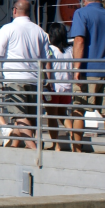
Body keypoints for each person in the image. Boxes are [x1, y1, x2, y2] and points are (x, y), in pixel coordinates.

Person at [0, 0, 51, 150]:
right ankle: (14, 145)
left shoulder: (8, 28)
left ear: (14, 10)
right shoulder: (40, 31)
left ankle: (33, 148)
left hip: (14, 78)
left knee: (19, 115)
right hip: (34, 79)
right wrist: (48, 80)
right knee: (29, 116)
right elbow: (47, 59)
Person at [69, 0, 105, 154]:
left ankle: (77, 149)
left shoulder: (81, 13)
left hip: (88, 71)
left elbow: (79, 41)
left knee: (78, 110)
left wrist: (76, 70)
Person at [47, 22, 74, 152]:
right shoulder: (70, 50)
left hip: (53, 88)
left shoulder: (51, 49)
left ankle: (55, 145)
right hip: (67, 87)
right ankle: (73, 139)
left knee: (51, 116)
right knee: (63, 114)